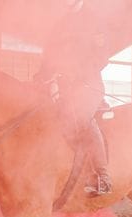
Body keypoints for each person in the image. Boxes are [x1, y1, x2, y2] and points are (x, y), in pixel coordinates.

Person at [34, 0, 112, 196]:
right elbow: (49, 59)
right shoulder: (59, 26)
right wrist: (40, 78)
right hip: (64, 89)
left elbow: (102, 56)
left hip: (89, 86)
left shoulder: (94, 20)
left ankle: (101, 177)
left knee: (82, 119)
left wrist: (79, 74)